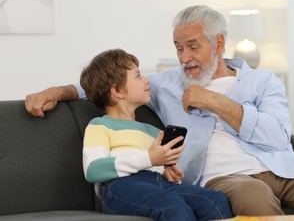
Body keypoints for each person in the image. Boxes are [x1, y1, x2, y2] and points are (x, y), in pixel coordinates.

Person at [25, 5, 294, 219]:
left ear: (219, 43)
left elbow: (278, 137)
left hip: (283, 166)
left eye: (193, 45)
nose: (184, 56)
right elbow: (107, 85)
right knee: (253, 196)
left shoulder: (263, 81)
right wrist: (59, 91)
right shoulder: (166, 84)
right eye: (178, 47)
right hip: (225, 179)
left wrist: (214, 100)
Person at [78, 48, 232, 220]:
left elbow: (156, 165)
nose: (146, 80)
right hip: (122, 186)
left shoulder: (153, 131)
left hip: (161, 184)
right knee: (173, 206)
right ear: (117, 91)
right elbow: (93, 170)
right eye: (138, 76)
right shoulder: (100, 125)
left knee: (214, 200)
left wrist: (172, 175)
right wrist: (149, 159)